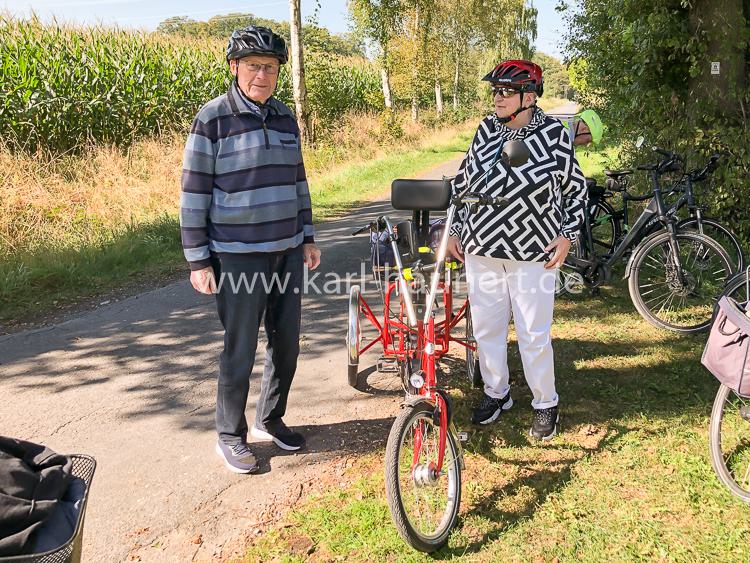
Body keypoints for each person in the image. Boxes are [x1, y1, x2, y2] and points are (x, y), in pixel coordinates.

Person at [180, 26, 321, 473]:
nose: (263, 74)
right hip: (237, 254)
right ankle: (229, 435)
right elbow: (194, 190)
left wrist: (309, 236)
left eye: (272, 66)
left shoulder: (284, 117)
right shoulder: (213, 118)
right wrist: (198, 258)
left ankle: (270, 418)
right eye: (254, 65)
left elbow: (298, 180)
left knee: (287, 346)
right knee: (239, 348)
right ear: (235, 67)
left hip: (287, 250)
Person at [446, 60, 587, 440]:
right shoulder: (486, 130)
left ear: (529, 96)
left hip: (533, 250)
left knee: (533, 332)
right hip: (481, 247)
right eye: (495, 91)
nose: (497, 98)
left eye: (505, 91)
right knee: (488, 328)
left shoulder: (554, 134)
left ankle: (545, 402)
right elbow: (465, 182)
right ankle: (497, 392)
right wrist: (456, 229)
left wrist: (567, 235)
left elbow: (575, 189)